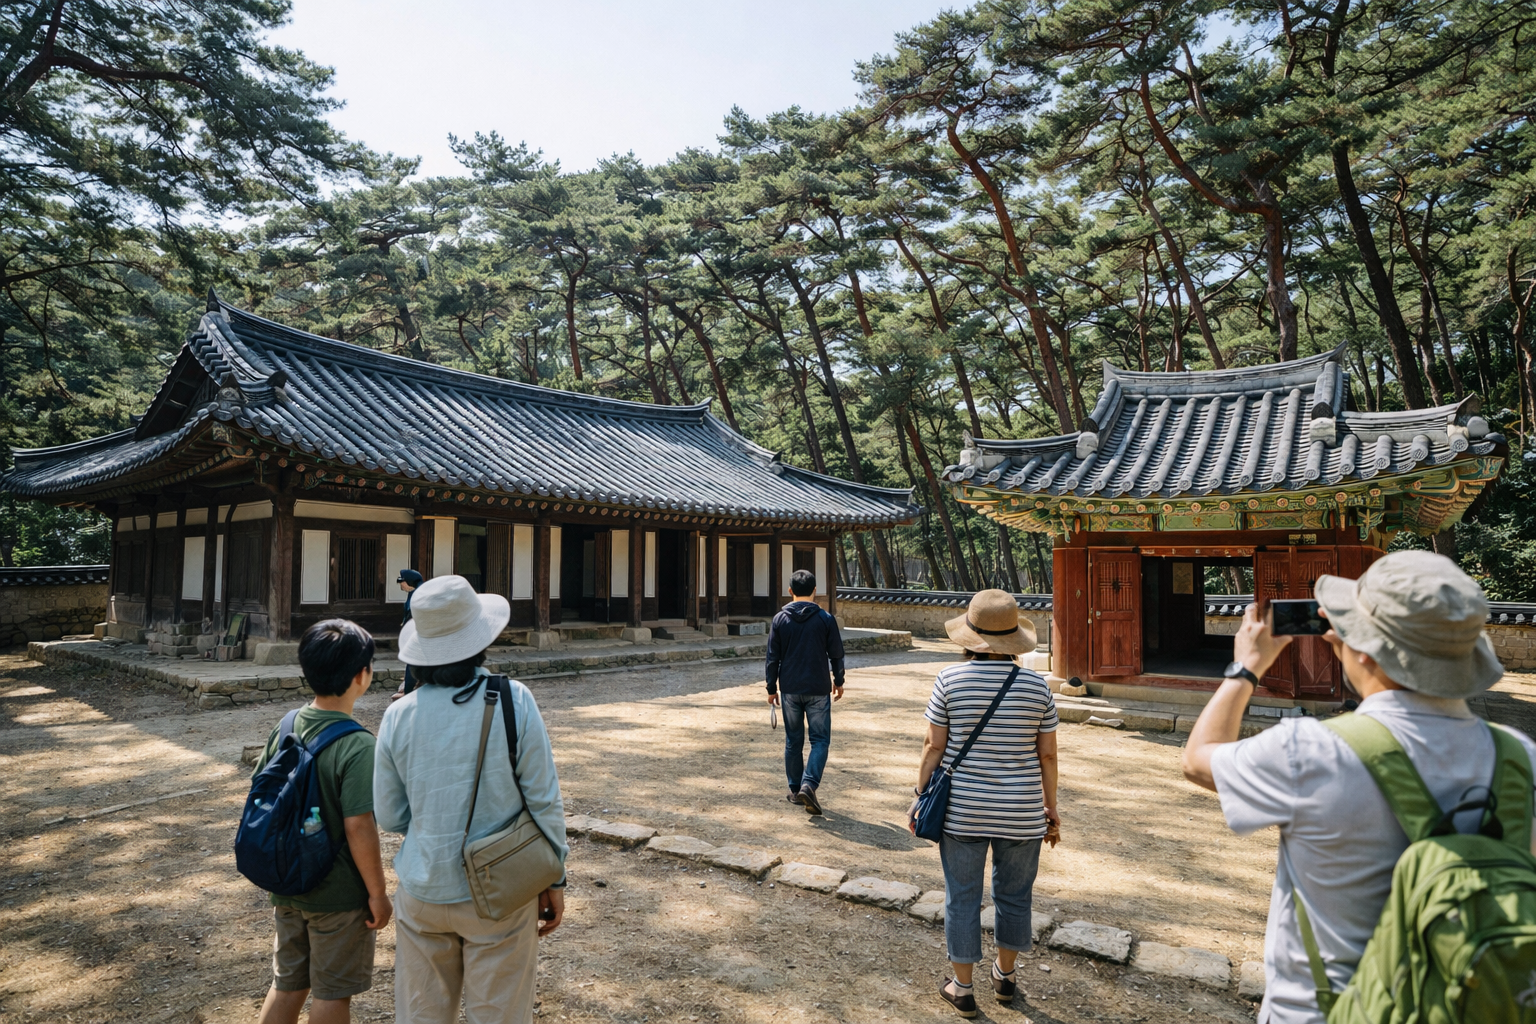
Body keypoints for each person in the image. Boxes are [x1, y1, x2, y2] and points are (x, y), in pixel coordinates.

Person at [1182, 551, 1536, 1024]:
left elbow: (1198, 759)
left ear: (1365, 649)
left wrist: (1247, 667)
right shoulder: (1520, 759)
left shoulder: (1310, 751)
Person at [374, 574, 568, 1024]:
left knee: (421, 1016)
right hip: (501, 891)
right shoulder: (513, 700)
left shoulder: (398, 715)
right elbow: (544, 800)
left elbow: (390, 813)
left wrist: (432, 821)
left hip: (423, 888)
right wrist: (555, 877)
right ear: (480, 639)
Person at [910, 589, 1059, 1019]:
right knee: (1015, 896)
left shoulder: (949, 680)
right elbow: (1048, 756)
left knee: (962, 896)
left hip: (963, 810)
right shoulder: (1037, 687)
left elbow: (933, 746)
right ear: (1014, 639)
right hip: (1022, 811)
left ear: (969, 636)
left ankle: (962, 988)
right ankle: (1005, 976)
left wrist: (920, 795)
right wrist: (1050, 809)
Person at [256, 620, 392, 1024]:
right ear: (362, 675)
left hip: (287, 884)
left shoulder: (285, 726)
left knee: (287, 984)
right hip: (338, 896)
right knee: (332, 993)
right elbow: (359, 826)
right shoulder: (358, 745)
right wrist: (378, 893)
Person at [765, 568, 846, 815]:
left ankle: (795, 790)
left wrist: (771, 688)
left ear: (790, 591)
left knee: (793, 740)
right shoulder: (825, 619)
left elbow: (772, 658)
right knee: (820, 740)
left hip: (789, 688)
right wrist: (838, 680)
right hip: (818, 688)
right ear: (815, 591)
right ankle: (809, 784)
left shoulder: (780, 620)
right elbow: (836, 654)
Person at [394, 569, 423, 698]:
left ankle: (408, 690)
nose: (401, 584)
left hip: (419, 633)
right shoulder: (413, 593)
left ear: (409, 582)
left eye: (402, 581)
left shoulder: (419, 595)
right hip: (414, 632)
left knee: (412, 661)